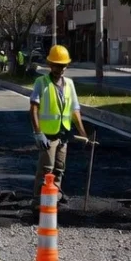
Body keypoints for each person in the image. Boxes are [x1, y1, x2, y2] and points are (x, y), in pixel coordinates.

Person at [30, 45, 89, 214]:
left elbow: (75, 110)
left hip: (64, 135)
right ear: (50, 64)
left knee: (59, 169)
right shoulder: (41, 83)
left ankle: (53, 197)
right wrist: (38, 132)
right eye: (56, 65)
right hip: (47, 136)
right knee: (46, 169)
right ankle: (37, 201)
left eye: (63, 65)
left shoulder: (69, 84)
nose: (60, 69)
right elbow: (33, 108)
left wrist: (82, 133)